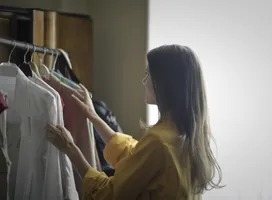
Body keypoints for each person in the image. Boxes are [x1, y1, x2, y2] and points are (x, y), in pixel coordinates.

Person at [45, 44, 224, 200]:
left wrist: (70, 148)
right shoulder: (184, 134)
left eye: (148, 74)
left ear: (164, 83)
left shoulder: (158, 141)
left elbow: (110, 194)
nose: (143, 81)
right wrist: (94, 117)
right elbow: (135, 156)